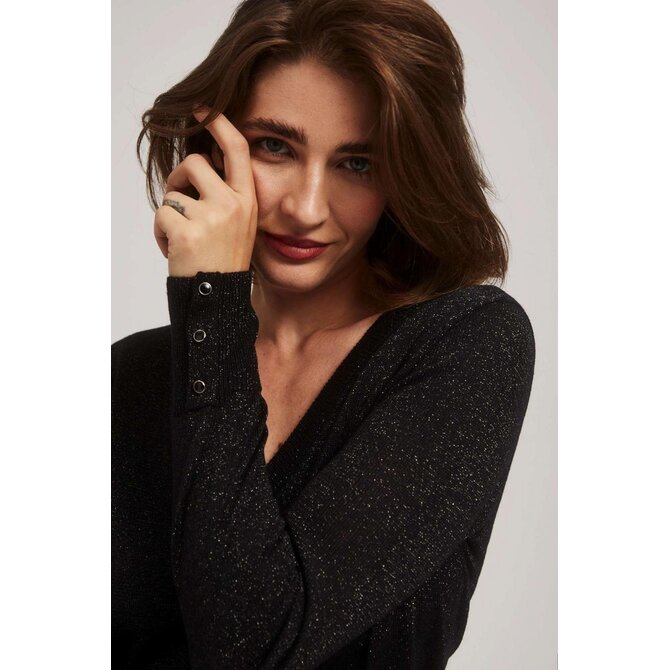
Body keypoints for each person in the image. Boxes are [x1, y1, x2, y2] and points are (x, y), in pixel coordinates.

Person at [112, 0, 536, 668]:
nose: (306, 209)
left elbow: (253, 646)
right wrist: (211, 320)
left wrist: (211, 300)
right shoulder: (129, 377)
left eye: (357, 163)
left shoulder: (465, 345)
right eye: (274, 147)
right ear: (213, 150)